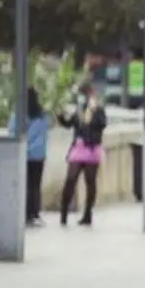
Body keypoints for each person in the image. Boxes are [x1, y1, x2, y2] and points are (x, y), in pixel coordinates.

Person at [57, 82, 108, 227]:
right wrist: (61, 118)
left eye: (86, 94)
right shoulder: (79, 109)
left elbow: (103, 124)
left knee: (90, 181)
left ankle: (88, 214)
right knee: (71, 178)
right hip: (79, 147)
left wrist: (92, 114)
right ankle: (64, 213)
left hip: (92, 148)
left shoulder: (98, 109)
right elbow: (70, 124)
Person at [8, 87, 49, 226]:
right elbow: (43, 133)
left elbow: (13, 130)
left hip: (24, 153)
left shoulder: (19, 114)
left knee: (24, 184)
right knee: (35, 185)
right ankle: (35, 213)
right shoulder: (42, 115)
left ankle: (25, 213)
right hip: (38, 155)